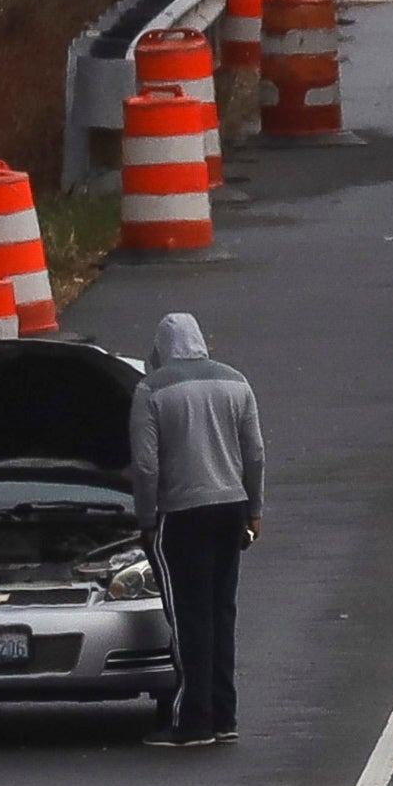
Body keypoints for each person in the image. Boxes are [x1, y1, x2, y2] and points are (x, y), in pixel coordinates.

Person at [132, 310, 266, 746]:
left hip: (182, 514)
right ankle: (224, 716)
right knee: (221, 612)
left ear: (161, 348)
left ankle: (192, 722)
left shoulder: (150, 390)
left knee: (188, 618)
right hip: (232, 508)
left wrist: (147, 519)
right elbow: (256, 453)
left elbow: (146, 464)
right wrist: (254, 509)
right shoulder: (236, 382)